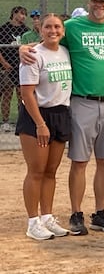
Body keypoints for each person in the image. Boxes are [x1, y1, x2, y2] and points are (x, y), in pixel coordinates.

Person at [21, 0, 104, 235]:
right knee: (79, 161)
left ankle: (100, 213)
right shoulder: (71, 27)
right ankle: (76, 213)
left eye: (103, 1)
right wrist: (23, 48)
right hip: (82, 101)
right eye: (95, 0)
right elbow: (45, 43)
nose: (99, 5)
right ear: (88, 2)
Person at [17, 14, 72, 240]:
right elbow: (26, 92)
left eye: (57, 27)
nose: (53, 31)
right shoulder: (33, 54)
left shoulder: (65, 52)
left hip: (60, 112)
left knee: (51, 171)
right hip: (38, 115)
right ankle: (33, 222)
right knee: (36, 171)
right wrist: (40, 124)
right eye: (48, 27)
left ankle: (47, 217)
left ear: (63, 30)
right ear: (40, 31)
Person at [0, 5, 30, 132]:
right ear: (14, 14)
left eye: (25, 14)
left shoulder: (26, 30)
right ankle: (5, 122)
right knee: (7, 93)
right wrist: (4, 63)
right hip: (7, 67)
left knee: (21, 95)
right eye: (21, 13)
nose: (23, 17)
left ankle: (20, 121)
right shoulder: (4, 29)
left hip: (20, 67)